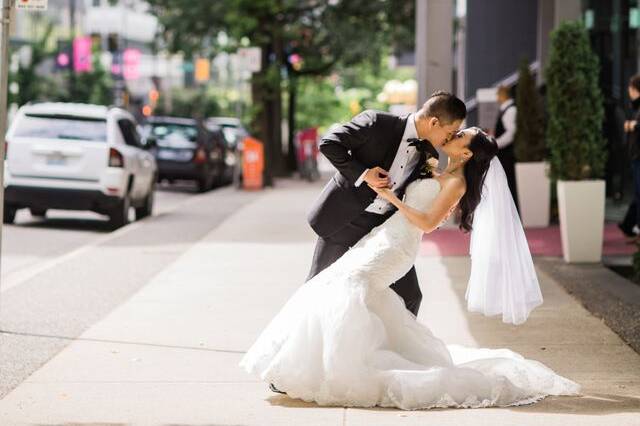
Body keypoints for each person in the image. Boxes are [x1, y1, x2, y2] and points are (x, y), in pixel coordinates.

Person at [240, 128, 580, 409]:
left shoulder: (456, 183)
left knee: (348, 285)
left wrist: (392, 199)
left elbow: (428, 223)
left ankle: (333, 368)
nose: (457, 134)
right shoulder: (443, 172)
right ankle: (308, 364)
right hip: (385, 236)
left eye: (463, 135)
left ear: (466, 154)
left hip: (398, 246)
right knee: (340, 285)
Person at [306, 91, 466, 318]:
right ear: (433, 122)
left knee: (411, 297)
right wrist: (364, 174)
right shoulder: (376, 122)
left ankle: (396, 350)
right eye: (449, 133)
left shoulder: (428, 153)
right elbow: (329, 143)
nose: (448, 140)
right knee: (316, 286)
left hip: (384, 231)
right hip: (344, 220)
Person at [619, 74, 640, 239]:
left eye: (630, 89)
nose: (628, 91)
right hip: (635, 155)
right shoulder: (635, 107)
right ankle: (629, 225)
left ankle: (635, 226)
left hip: (638, 156)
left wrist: (633, 125)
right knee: (637, 192)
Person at [494, 85, 519, 209]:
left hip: (507, 154)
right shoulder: (506, 109)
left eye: (498, 94)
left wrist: (495, 143)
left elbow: (511, 133)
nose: (497, 97)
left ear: (503, 94)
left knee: (509, 182)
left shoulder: (510, 110)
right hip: (504, 153)